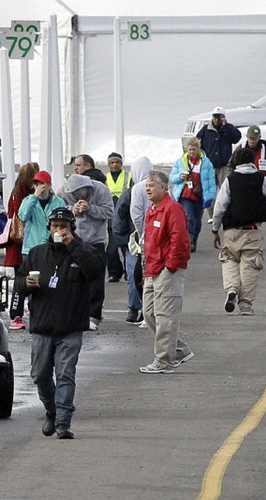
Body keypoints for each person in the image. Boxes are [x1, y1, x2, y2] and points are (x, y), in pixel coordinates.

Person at [14, 207, 103, 440]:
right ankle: (52, 410)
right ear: (49, 228)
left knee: (65, 375)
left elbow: (95, 272)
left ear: (71, 228)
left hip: (71, 326)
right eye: (55, 226)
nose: (59, 230)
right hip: (42, 326)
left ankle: (63, 422)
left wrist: (73, 244)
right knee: (40, 375)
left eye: (64, 226)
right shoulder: (37, 253)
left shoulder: (83, 252)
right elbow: (19, 282)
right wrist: (27, 285)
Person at [211, 147, 266, 316]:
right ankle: (246, 305)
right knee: (250, 265)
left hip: (232, 230)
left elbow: (219, 206)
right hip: (252, 231)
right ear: (252, 161)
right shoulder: (260, 179)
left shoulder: (230, 180)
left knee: (229, 260)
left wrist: (214, 229)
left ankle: (232, 289)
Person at [139, 170, 194, 374]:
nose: (148, 189)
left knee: (165, 316)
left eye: (151, 185)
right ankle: (179, 350)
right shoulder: (152, 210)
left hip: (167, 270)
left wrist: (170, 266)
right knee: (149, 313)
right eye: (146, 186)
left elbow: (179, 239)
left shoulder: (173, 209)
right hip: (152, 269)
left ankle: (164, 361)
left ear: (164, 187)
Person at [62, 174, 114, 331]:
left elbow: (109, 212)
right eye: (75, 195)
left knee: (96, 279)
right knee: (71, 276)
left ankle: (94, 315)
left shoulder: (101, 190)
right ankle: (73, 312)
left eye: (82, 193)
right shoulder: (62, 192)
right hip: (74, 240)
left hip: (96, 240)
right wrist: (72, 210)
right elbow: (58, 212)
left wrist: (90, 208)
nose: (79, 196)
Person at [3, 163, 39, 330]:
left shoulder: (15, 192)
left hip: (16, 245)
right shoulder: (28, 195)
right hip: (24, 242)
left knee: (21, 281)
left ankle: (16, 315)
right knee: (28, 281)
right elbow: (24, 216)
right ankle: (22, 314)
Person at [168, 137, 216, 252]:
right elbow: (172, 178)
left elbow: (211, 181)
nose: (191, 152)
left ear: (199, 149)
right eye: (189, 150)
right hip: (185, 195)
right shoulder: (180, 162)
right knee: (189, 218)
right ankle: (189, 240)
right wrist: (180, 177)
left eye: (194, 150)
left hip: (199, 195)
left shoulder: (206, 163)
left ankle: (194, 238)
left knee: (197, 219)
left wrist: (210, 197)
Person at [123, 157, 155, 324]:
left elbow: (135, 213)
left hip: (145, 239)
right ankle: (150, 311)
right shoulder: (158, 184)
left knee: (140, 276)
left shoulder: (137, 188)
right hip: (159, 238)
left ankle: (145, 311)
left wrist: (142, 233)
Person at [19, 170, 69, 260]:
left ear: (49, 185)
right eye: (36, 184)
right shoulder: (27, 200)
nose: (39, 187)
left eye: (42, 184)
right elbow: (23, 217)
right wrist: (34, 197)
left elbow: (64, 223)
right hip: (31, 248)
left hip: (52, 247)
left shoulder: (59, 202)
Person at [195, 107, 242, 188]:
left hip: (224, 167)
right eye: (215, 117)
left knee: (225, 189)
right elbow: (197, 144)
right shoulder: (205, 130)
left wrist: (226, 127)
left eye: (219, 117)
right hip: (210, 166)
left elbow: (236, 138)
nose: (216, 120)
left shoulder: (228, 128)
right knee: (210, 191)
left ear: (223, 118)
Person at [105, 152, 130, 282]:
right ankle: (114, 273)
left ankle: (128, 271)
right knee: (111, 250)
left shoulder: (128, 176)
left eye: (117, 162)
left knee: (126, 247)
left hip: (124, 215)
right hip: (110, 218)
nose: (115, 165)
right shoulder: (105, 178)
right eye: (112, 162)